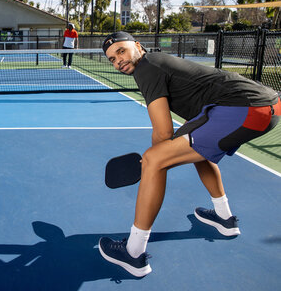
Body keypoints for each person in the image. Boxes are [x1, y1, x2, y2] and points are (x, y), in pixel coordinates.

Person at [98, 31, 280, 277]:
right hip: (268, 107)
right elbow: (185, 124)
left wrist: (152, 160)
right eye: (112, 58)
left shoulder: (146, 68)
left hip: (245, 108)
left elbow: (162, 133)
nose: (118, 60)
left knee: (154, 159)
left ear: (138, 46)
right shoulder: (157, 62)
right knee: (195, 149)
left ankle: (133, 252)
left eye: (121, 51)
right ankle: (224, 218)